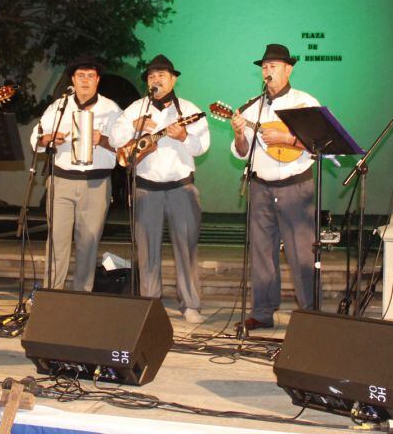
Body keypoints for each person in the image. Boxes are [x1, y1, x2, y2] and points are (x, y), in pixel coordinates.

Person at [111, 54, 210, 323]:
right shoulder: (136, 108)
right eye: (152, 76)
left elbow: (203, 147)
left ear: (173, 79)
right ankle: (149, 304)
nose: (157, 79)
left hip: (181, 188)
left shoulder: (189, 109)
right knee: (147, 252)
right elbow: (115, 139)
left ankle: (190, 305)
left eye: (162, 75)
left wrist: (184, 136)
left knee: (186, 248)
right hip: (146, 189)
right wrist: (135, 126)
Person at [231, 44, 319, 330]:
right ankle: (263, 312)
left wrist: (288, 139)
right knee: (262, 252)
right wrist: (237, 132)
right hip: (261, 188)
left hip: (296, 187)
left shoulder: (304, 102)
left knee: (301, 253)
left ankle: (309, 314)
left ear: (288, 69)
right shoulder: (252, 108)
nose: (267, 71)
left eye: (274, 66)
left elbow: (320, 144)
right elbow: (242, 151)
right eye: (264, 67)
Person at [30, 55, 122, 291]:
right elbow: (36, 139)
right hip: (62, 180)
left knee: (88, 244)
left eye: (90, 76)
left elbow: (123, 147)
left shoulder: (111, 109)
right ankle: (51, 293)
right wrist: (50, 137)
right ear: (72, 79)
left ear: (98, 80)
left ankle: (81, 295)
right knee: (56, 242)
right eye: (80, 75)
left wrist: (101, 139)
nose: (85, 81)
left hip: (96, 182)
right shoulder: (59, 106)